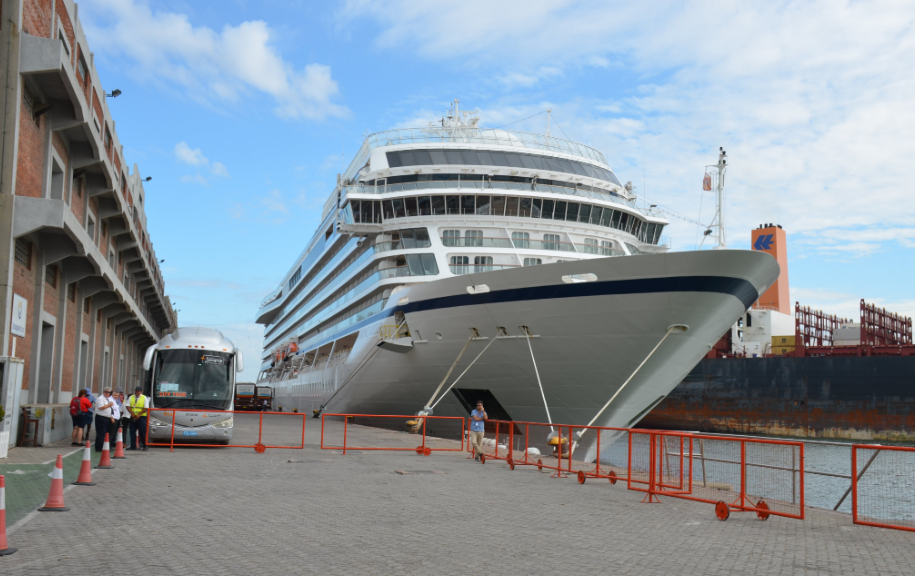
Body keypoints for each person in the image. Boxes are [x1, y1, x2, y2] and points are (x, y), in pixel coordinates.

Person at [128, 386, 149, 451]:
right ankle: (133, 446)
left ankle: (145, 445)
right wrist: (132, 414)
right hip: (133, 416)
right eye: (136, 391)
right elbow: (127, 406)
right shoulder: (131, 397)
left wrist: (139, 414)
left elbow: (146, 408)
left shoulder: (144, 398)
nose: (137, 392)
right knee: (132, 432)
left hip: (141, 417)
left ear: (141, 392)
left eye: (138, 391)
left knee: (142, 432)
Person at [94, 387, 115, 452]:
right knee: (101, 433)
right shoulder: (100, 398)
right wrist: (109, 405)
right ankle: (101, 448)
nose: (107, 393)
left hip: (107, 418)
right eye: (106, 392)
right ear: (103, 392)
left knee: (105, 433)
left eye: (109, 392)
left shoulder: (108, 399)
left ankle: (99, 447)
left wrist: (111, 417)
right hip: (101, 417)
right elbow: (101, 407)